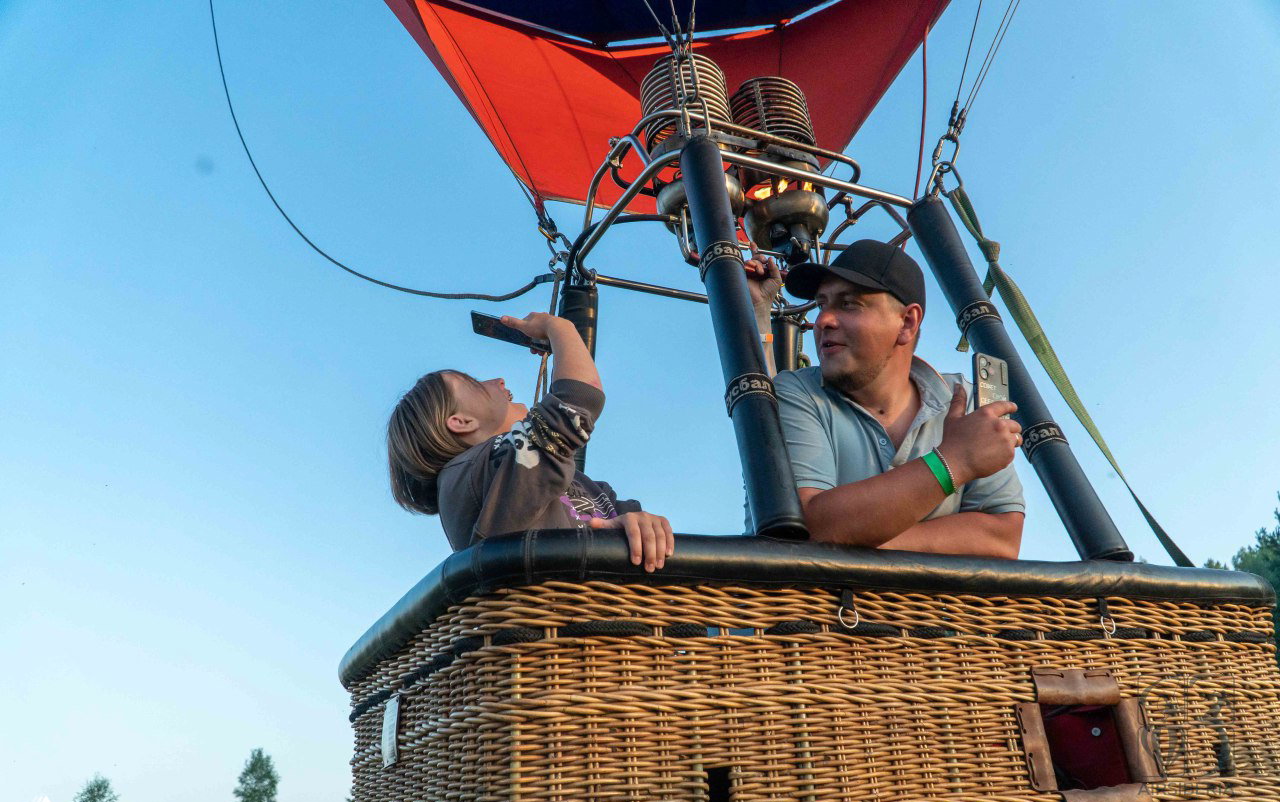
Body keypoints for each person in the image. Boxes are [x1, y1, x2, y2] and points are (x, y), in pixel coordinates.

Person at [747, 240, 1025, 558]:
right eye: (822, 304)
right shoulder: (796, 393)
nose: (823, 320)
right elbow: (803, 528)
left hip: (932, 610)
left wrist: (862, 539)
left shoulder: (963, 404)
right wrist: (953, 463)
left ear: (906, 323)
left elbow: (1001, 539)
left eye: (848, 304)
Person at [386, 311, 675, 572]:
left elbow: (629, 520)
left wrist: (641, 525)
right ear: (461, 422)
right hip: (562, 625)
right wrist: (557, 328)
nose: (498, 380)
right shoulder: (470, 472)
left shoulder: (568, 481)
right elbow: (575, 403)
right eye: (476, 384)